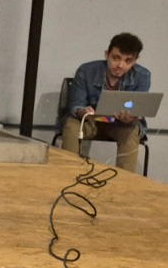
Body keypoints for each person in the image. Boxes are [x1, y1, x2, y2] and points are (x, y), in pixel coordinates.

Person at [61, 32, 150, 172]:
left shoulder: (143, 76)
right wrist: (83, 111)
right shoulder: (86, 71)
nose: (120, 65)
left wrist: (131, 117)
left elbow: (138, 108)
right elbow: (76, 105)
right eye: (116, 58)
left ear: (135, 61)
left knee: (133, 130)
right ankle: (67, 173)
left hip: (119, 124)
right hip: (91, 120)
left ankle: (124, 181)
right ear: (106, 54)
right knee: (72, 125)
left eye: (128, 61)